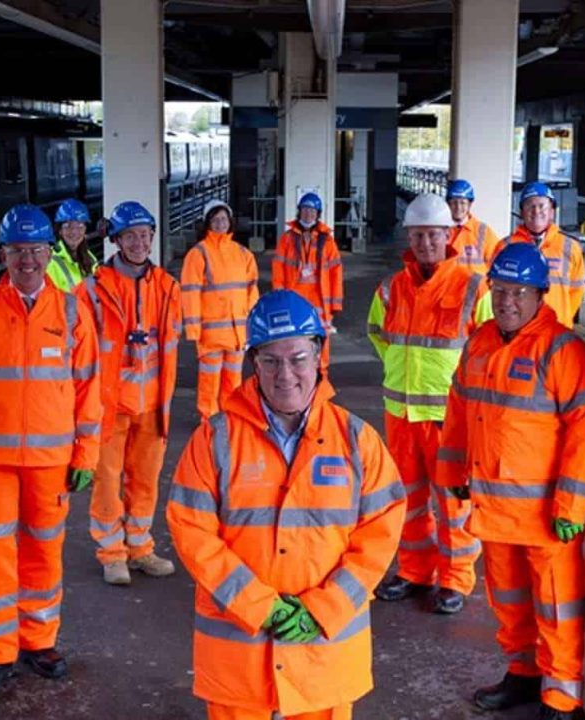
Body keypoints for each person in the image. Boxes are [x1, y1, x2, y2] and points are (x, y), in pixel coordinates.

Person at [167, 290, 406, 720]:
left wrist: (324, 608)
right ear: (253, 363)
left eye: (297, 358)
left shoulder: (357, 441)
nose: (285, 374)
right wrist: (260, 605)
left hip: (324, 661)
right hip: (239, 663)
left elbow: (380, 536)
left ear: (319, 355)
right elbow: (190, 529)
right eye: (271, 361)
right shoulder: (215, 439)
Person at [435, 243, 585, 720]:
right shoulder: (481, 342)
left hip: (547, 517)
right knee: (508, 601)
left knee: (556, 607)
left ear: (540, 295)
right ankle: (524, 674)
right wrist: (453, 473)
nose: (508, 301)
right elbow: (460, 412)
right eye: (500, 290)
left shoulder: (564, 350)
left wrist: (571, 506)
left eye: (519, 292)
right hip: (493, 507)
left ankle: (561, 697)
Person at [0, 203, 102, 699]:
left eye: (36, 250)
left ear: (48, 251)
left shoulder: (72, 310)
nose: (28, 261)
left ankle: (38, 641)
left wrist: (86, 455)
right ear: (3, 254)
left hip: (51, 461)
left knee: (44, 552)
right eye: (18, 251)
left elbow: (89, 389)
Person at [367, 193, 492, 615]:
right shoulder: (391, 288)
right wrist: (401, 373)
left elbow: (488, 348)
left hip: (449, 416)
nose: (425, 243)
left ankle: (455, 579)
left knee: (453, 501)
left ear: (450, 235)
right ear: (409, 236)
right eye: (418, 235)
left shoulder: (473, 287)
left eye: (433, 235)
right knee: (409, 497)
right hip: (401, 414)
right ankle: (415, 571)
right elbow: (377, 333)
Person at [83, 200, 181, 585]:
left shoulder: (168, 287)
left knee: (146, 479)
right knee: (107, 479)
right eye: (130, 236)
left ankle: (140, 547)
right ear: (116, 240)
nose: (139, 243)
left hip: (153, 404)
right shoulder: (91, 290)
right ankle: (112, 554)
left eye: (144, 235)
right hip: (108, 405)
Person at [181, 199, 260, 421]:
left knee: (233, 381)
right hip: (211, 334)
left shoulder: (243, 254)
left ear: (230, 222)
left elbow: (252, 290)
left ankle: (228, 419)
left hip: (238, 333)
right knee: (209, 382)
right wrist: (194, 330)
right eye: (215, 220)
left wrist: (252, 326)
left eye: (224, 219)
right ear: (207, 223)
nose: (220, 224)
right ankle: (209, 420)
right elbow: (190, 293)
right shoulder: (198, 254)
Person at [492, 182, 585, 328]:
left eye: (542, 206)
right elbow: (494, 288)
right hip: (517, 330)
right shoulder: (505, 247)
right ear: (522, 212)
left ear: (552, 212)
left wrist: (561, 317)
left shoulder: (570, 248)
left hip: (555, 330)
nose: (536, 211)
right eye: (530, 206)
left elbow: (577, 291)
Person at [271, 192, 343, 370]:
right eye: (305, 210)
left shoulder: (327, 241)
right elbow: (278, 269)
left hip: (320, 301)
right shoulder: (287, 239)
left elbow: (336, 273)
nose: (308, 214)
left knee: (321, 344)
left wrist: (336, 304)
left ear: (318, 214)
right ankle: (299, 381)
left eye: (312, 210)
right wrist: (279, 297)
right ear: (299, 212)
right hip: (294, 299)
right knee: (294, 343)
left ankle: (321, 382)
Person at [445, 179, 501, 274]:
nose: (458, 207)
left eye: (462, 203)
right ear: (448, 204)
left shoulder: (483, 231)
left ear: (470, 204)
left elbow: (498, 265)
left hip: (475, 288)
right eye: (454, 202)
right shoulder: (440, 231)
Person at [47, 198, 98, 291]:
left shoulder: (91, 259)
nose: (74, 231)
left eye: (79, 226)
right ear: (60, 230)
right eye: (68, 225)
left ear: (85, 229)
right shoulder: (49, 260)